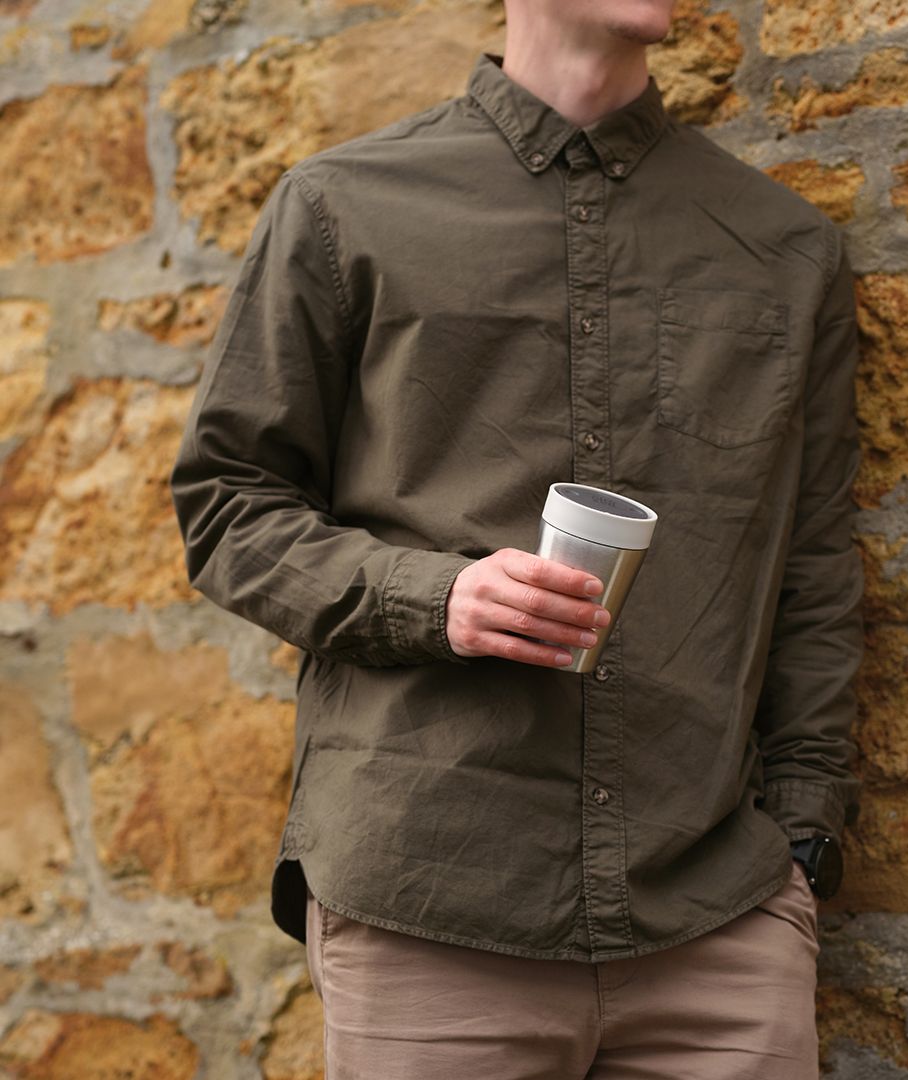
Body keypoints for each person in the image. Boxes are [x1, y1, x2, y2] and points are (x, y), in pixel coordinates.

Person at [170, 0, 864, 1075]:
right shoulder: (342, 207)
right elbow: (229, 503)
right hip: (430, 898)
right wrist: (433, 598)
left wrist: (805, 832)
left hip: (717, 915)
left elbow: (813, 562)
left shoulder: (785, 247)